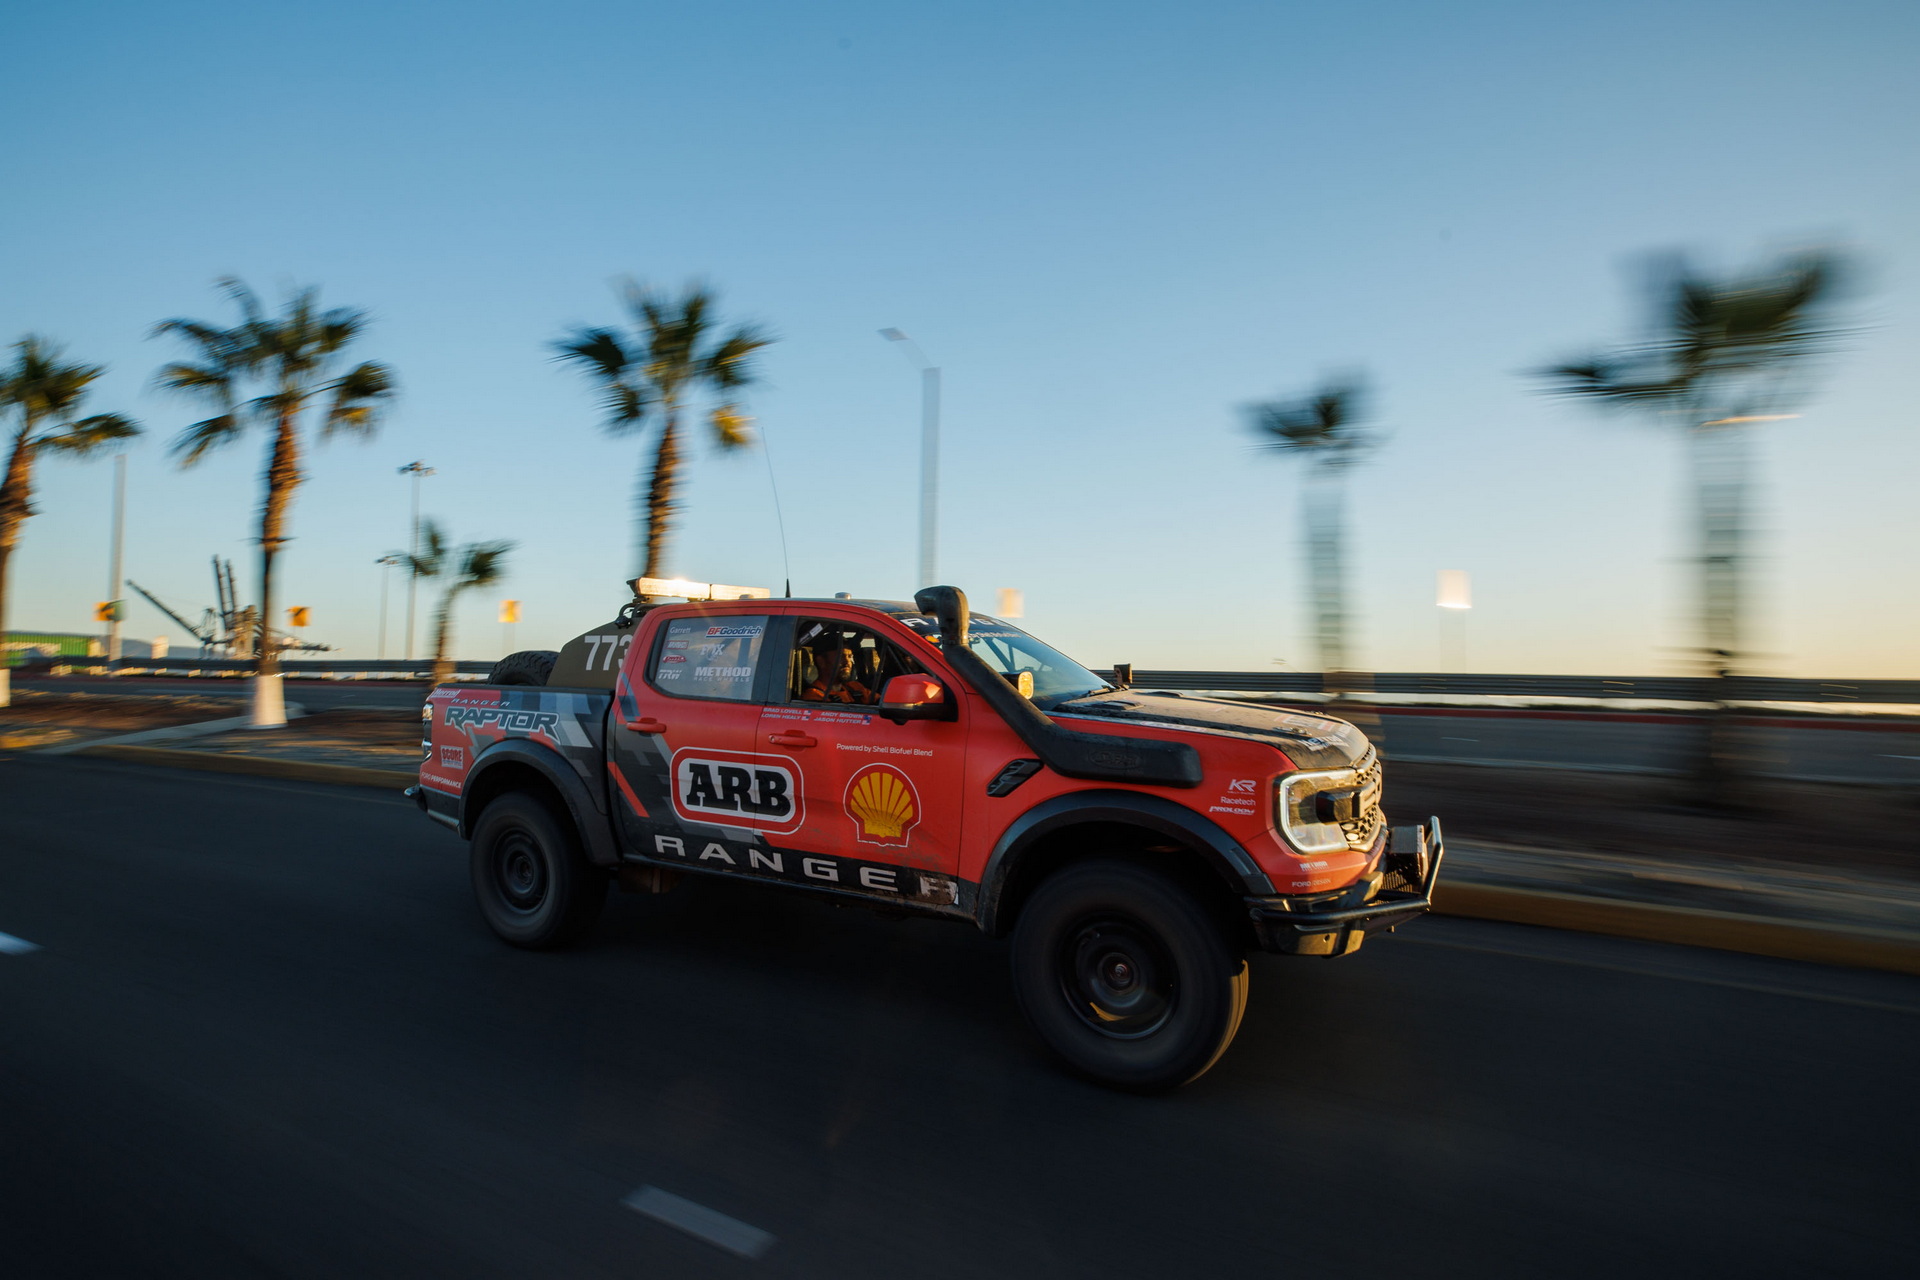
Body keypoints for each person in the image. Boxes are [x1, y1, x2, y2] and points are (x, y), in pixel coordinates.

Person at [802, 639, 873, 703]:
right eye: (841, 656)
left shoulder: (855, 688)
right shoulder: (814, 696)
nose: (847, 662)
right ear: (821, 661)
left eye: (850, 657)